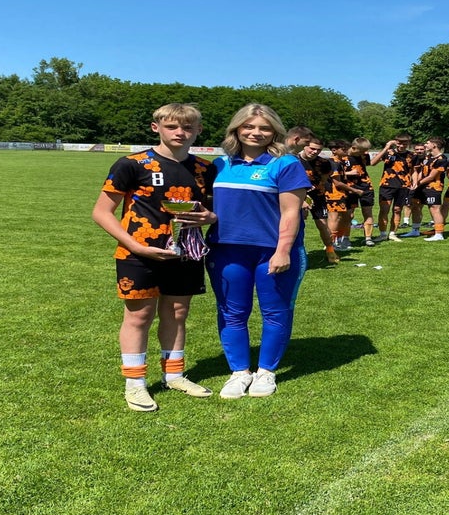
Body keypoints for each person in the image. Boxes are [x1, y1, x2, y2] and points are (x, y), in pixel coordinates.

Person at [91, 103, 218, 412]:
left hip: (186, 252)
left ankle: (173, 375)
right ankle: (135, 383)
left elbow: (211, 211)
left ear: (198, 131)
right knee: (139, 316)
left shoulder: (205, 168)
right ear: (156, 127)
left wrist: (210, 217)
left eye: (187, 127)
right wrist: (135, 246)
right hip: (138, 253)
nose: (180, 132)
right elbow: (101, 212)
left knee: (177, 313)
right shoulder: (132, 164)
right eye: (172, 126)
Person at [206, 103, 310, 398]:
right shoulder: (219, 165)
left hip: (272, 252)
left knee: (275, 311)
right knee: (232, 312)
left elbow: (291, 212)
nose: (256, 132)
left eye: (264, 128)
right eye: (249, 126)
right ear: (236, 129)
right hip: (226, 251)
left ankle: (266, 372)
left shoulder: (285, 164)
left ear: (274, 132)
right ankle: (239, 372)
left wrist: (283, 250)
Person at [297, 137, 340, 263]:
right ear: (305, 146)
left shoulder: (324, 163)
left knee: (322, 225)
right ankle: (298, 251)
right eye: (312, 148)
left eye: (319, 150)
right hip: (297, 196)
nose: (315, 152)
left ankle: (330, 250)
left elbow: (324, 180)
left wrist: (314, 189)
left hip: (318, 196)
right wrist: (303, 197)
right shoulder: (293, 160)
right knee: (297, 225)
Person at [371, 134, 414, 242]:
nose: (402, 146)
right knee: (384, 210)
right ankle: (382, 234)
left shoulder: (411, 155)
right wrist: (386, 147)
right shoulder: (388, 152)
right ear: (395, 142)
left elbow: (413, 171)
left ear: (408, 143)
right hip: (387, 185)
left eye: (404, 143)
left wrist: (414, 182)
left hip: (403, 186)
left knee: (397, 210)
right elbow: (373, 163)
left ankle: (392, 233)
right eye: (399, 143)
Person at [413, 137, 449, 241]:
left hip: (434, 188)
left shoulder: (442, 159)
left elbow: (431, 177)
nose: (425, 145)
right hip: (422, 187)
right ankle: (415, 230)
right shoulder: (427, 157)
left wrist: (417, 184)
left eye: (427, 143)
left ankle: (439, 234)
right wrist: (416, 182)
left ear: (434, 145)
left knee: (434, 209)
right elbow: (422, 171)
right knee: (416, 206)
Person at [345, 137, 377, 245]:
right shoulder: (343, 156)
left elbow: (369, 164)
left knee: (367, 212)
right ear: (354, 148)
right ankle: (345, 238)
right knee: (349, 214)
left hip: (366, 187)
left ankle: (368, 238)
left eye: (366, 151)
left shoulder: (364, 155)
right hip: (349, 188)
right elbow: (334, 174)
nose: (365, 153)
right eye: (362, 151)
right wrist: (349, 173)